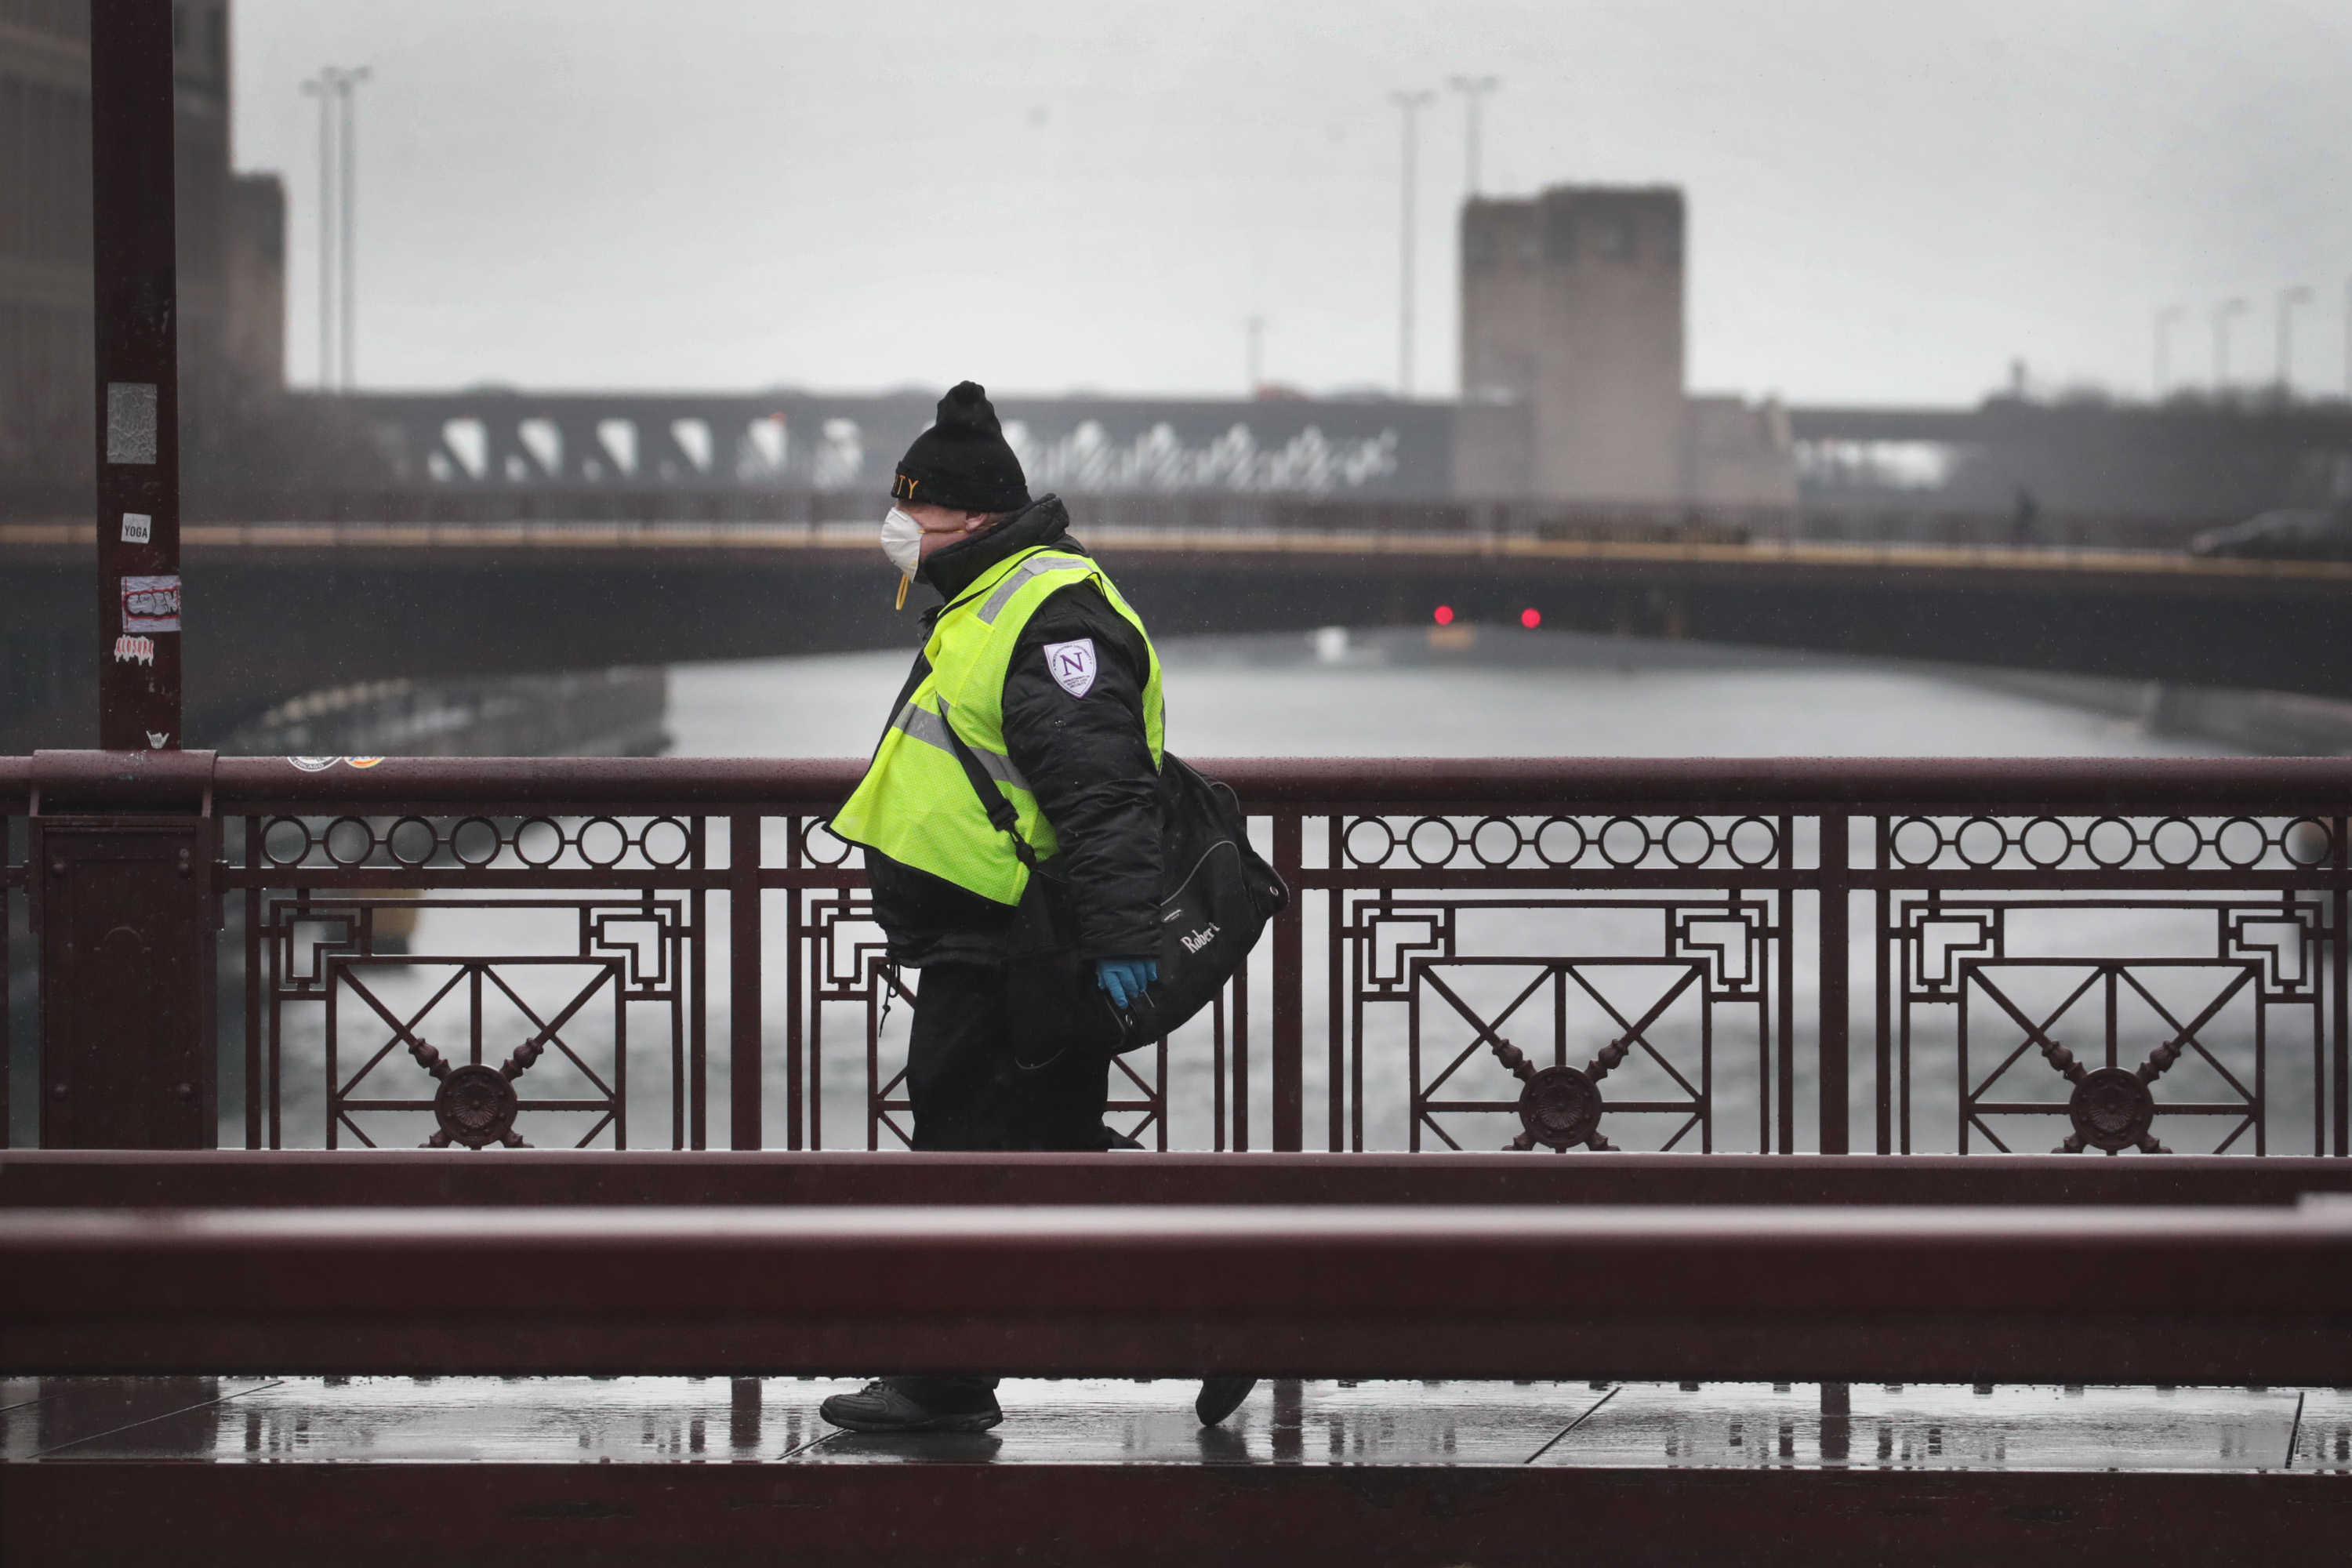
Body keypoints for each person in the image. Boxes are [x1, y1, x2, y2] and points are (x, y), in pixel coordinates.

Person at [819, 382, 1255, 1436]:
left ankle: (945, 1379)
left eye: (911, 509)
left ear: (967, 517)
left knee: (973, 1162)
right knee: (1034, 1155)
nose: (897, 528)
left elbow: (1103, 798)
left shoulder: (1051, 612)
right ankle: (1229, 1309)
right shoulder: (991, 599)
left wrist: (1115, 951)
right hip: (987, 942)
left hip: (1024, 946)